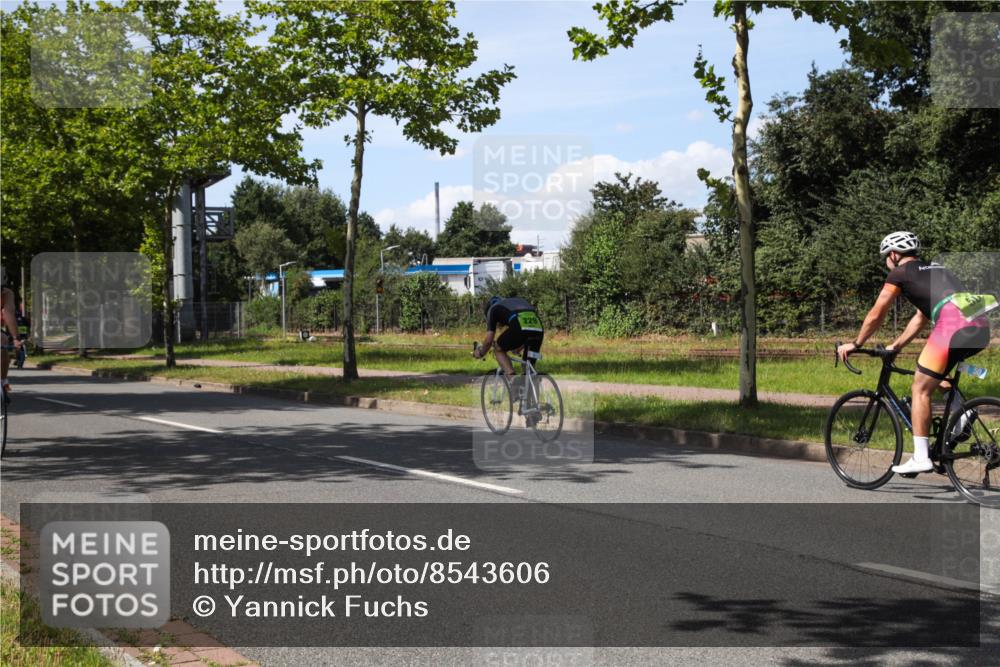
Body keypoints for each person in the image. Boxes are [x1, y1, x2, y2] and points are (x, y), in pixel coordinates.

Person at [837, 232, 993, 474]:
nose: (886, 262)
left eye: (886, 258)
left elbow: (877, 313)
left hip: (952, 326)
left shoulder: (898, 273)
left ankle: (921, 457)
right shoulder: (937, 269)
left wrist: (856, 343)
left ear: (893, 255)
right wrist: (896, 346)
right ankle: (963, 411)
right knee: (931, 373)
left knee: (919, 388)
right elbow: (921, 317)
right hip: (979, 326)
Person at [473, 295, 545, 386]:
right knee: (528, 370)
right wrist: (518, 348)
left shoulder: (493, 309)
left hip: (519, 326)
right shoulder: (514, 304)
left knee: (498, 349)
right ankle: (534, 397)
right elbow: (527, 330)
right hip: (538, 329)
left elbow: (488, 341)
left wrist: (480, 353)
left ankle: (513, 379)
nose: (499, 325)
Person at [1, 266, 24, 392]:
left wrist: (16, 339)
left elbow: (8, 313)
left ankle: (3, 380)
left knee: (3, 339)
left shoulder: (7, 293)